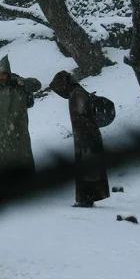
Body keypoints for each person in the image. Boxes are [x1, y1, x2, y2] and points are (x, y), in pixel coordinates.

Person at [49, 70, 110, 207]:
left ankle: (86, 198)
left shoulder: (77, 94)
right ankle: (89, 197)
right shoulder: (76, 92)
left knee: (87, 169)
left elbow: (83, 119)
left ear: (64, 85)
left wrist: (84, 138)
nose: (60, 93)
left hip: (86, 138)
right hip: (86, 136)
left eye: (59, 89)